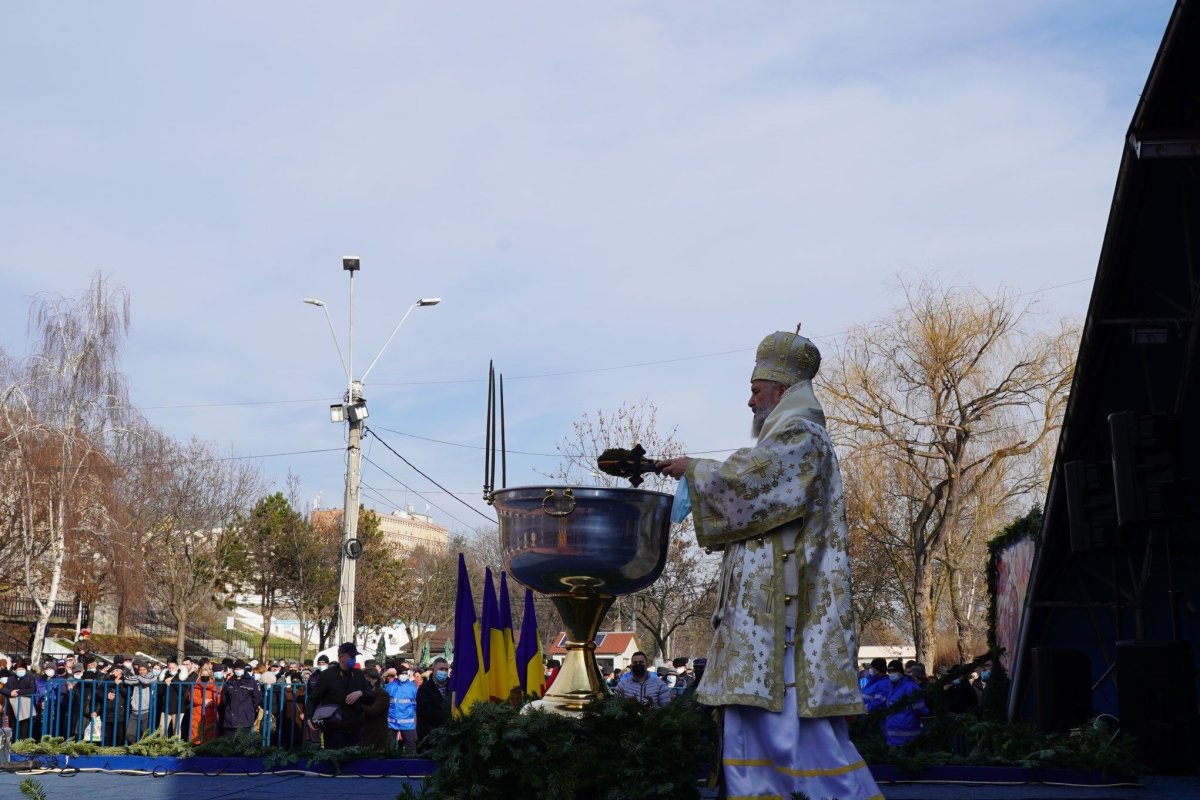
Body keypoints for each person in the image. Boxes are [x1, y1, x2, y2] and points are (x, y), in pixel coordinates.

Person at [656, 330, 882, 800]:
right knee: (760, 716)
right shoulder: (787, 435)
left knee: (788, 721)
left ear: (780, 390)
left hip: (784, 621)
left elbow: (753, 484)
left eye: (755, 390)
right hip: (766, 620)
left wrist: (694, 470)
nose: (749, 401)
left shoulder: (801, 433)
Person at [305, 642, 375, 749]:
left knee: (355, 761)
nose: (354, 659)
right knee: (335, 760)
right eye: (351, 656)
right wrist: (309, 716)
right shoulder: (328, 675)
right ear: (341, 657)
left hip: (355, 727)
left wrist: (361, 693)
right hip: (334, 727)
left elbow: (371, 697)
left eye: (355, 656)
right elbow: (313, 698)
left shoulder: (359, 674)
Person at [883, 659, 926, 747]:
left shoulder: (910, 686)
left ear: (900, 672)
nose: (891, 674)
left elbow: (919, 708)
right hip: (893, 733)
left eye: (894, 671)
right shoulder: (891, 686)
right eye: (889, 671)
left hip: (907, 733)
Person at [415, 657, 451, 750]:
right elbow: (425, 712)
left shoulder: (452, 687)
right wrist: (447, 715)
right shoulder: (424, 689)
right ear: (433, 670)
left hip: (449, 736)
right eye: (441, 669)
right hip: (429, 737)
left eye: (446, 669)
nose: (444, 672)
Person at [220, 659, 261, 738]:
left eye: (240, 669)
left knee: (243, 745)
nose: (238, 671)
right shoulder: (229, 682)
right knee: (228, 746)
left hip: (245, 719)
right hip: (230, 720)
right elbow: (224, 699)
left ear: (244, 669)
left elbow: (256, 699)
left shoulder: (251, 682)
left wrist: (248, 709)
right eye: (236, 669)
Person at [385, 666, 418, 753]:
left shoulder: (413, 688)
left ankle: (411, 765)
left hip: (408, 724)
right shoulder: (389, 687)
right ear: (397, 675)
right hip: (391, 723)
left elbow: (416, 705)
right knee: (388, 749)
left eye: (405, 673)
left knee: (411, 750)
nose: (403, 675)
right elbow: (385, 704)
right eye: (401, 673)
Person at [360, 666, 392, 752]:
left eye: (368, 678)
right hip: (364, 732)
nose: (366, 681)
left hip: (377, 734)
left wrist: (359, 705)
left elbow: (374, 711)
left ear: (375, 680)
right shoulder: (363, 693)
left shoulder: (382, 694)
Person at [191, 664, 221, 744]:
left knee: (210, 732)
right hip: (197, 712)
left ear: (210, 676)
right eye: (203, 674)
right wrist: (203, 701)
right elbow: (192, 698)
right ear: (200, 675)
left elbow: (218, 700)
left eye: (207, 675)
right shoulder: (195, 686)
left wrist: (209, 702)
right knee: (196, 731)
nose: (205, 676)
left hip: (210, 712)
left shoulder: (215, 687)